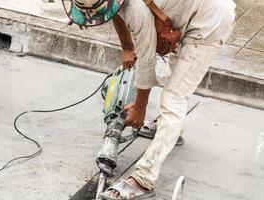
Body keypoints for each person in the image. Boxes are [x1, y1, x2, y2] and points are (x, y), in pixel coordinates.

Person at [64, 0, 236, 199]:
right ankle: (171, 131)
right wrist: (127, 46)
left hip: (211, 20)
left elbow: (146, 60)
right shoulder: (120, 3)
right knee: (175, 68)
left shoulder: (136, 9)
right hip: (193, 10)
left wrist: (140, 106)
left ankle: (143, 178)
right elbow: (117, 13)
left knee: (174, 97)